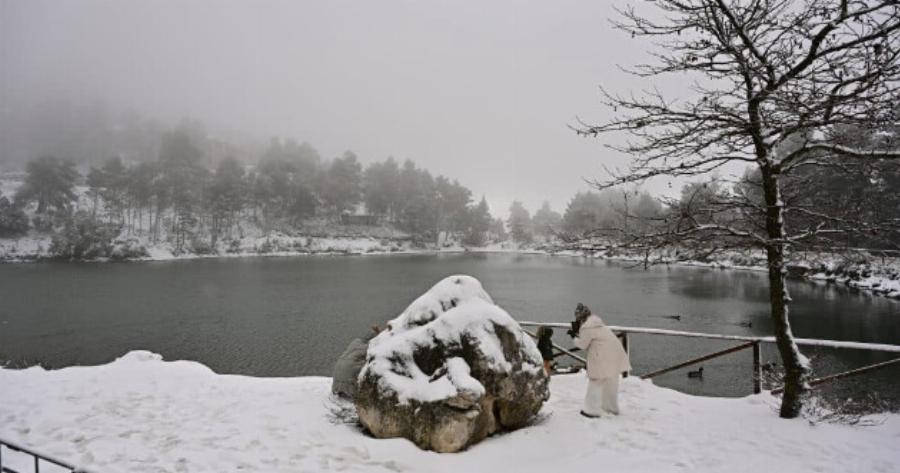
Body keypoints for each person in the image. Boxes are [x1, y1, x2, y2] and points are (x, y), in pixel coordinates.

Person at [570, 303, 631, 417]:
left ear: (579, 317)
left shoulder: (587, 327)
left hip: (603, 356)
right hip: (615, 353)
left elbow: (583, 345)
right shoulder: (596, 323)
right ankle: (611, 408)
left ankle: (591, 410)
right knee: (611, 381)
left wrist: (574, 337)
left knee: (596, 381)